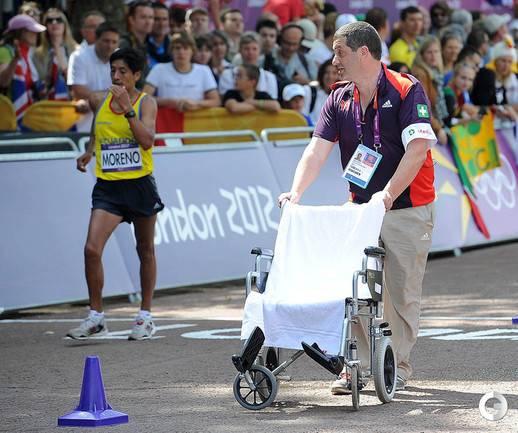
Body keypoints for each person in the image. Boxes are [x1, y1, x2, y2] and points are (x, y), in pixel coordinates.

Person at [277, 21, 436, 393]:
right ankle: (359, 367)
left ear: (364, 53)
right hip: (361, 207)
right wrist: (295, 192)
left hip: (407, 207)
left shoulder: (406, 89)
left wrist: (388, 194)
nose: (334, 61)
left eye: (340, 53)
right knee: (356, 288)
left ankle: (394, 366)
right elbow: (317, 149)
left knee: (400, 293)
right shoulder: (338, 97)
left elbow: (417, 151)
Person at [67, 47, 164, 341]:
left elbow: (147, 141)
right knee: (91, 249)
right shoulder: (100, 99)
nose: (117, 76)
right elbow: (98, 129)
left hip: (139, 185)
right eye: (113, 70)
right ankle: (96, 317)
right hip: (108, 187)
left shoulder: (146, 103)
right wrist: (89, 151)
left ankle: (145, 316)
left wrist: (127, 108)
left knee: (144, 250)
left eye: (123, 71)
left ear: (137, 74)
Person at [143, 32, 220, 112]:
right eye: (177, 48)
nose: (181, 52)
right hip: (165, 119)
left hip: (194, 119)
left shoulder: (204, 70)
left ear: (192, 51)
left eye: (185, 48)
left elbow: (216, 101)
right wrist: (172, 102)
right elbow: (144, 97)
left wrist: (195, 103)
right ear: (171, 50)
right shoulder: (159, 69)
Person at [67, 21, 120, 131]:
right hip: (84, 125)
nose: (110, 46)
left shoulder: (121, 57)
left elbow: (126, 91)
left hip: (114, 125)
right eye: (106, 41)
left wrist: (92, 99)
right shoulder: (79, 57)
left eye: (114, 42)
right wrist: (112, 94)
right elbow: (78, 93)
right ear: (96, 39)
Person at [0, 14, 46, 122]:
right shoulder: (4, 51)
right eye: (32, 31)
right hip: (7, 119)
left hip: (28, 116)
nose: (36, 34)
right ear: (20, 32)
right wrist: (15, 59)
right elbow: (3, 82)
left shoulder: (28, 54)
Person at [32, 8, 79, 101]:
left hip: (72, 102)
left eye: (59, 20)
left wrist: (63, 65)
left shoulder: (77, 50)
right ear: (45, 25)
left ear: (65, 25)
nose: (54, 23)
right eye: (49, 20)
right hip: (47, 103)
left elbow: (79, 83)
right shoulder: (37, 54)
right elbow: (39, 84)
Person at [411, 35, 449, 145]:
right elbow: (422, 106)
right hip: (421, 128)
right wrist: (438, 128)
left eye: (436, 52)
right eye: (429, 52)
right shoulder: (421, 74)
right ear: (422, 54)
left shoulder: (434, 72)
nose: (433, 56)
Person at [219, 31, 278, 99]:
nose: (250, 53)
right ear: (240, 50)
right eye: (246, 49)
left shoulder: (269, 77)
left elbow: (272, 102)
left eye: (254, 49)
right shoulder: (227, 74)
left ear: (260, 51)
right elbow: (224, 99)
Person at [119, 0, 154, 89]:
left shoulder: (150, 43)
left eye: (151, 17)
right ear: (131, 20)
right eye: (143, 17)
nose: (148, 22)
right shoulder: (124, 44)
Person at [147, 2, 172, 69]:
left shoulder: (175, 45)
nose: (161, 24)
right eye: (157, 19)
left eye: (164, 19)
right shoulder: (139, 44)